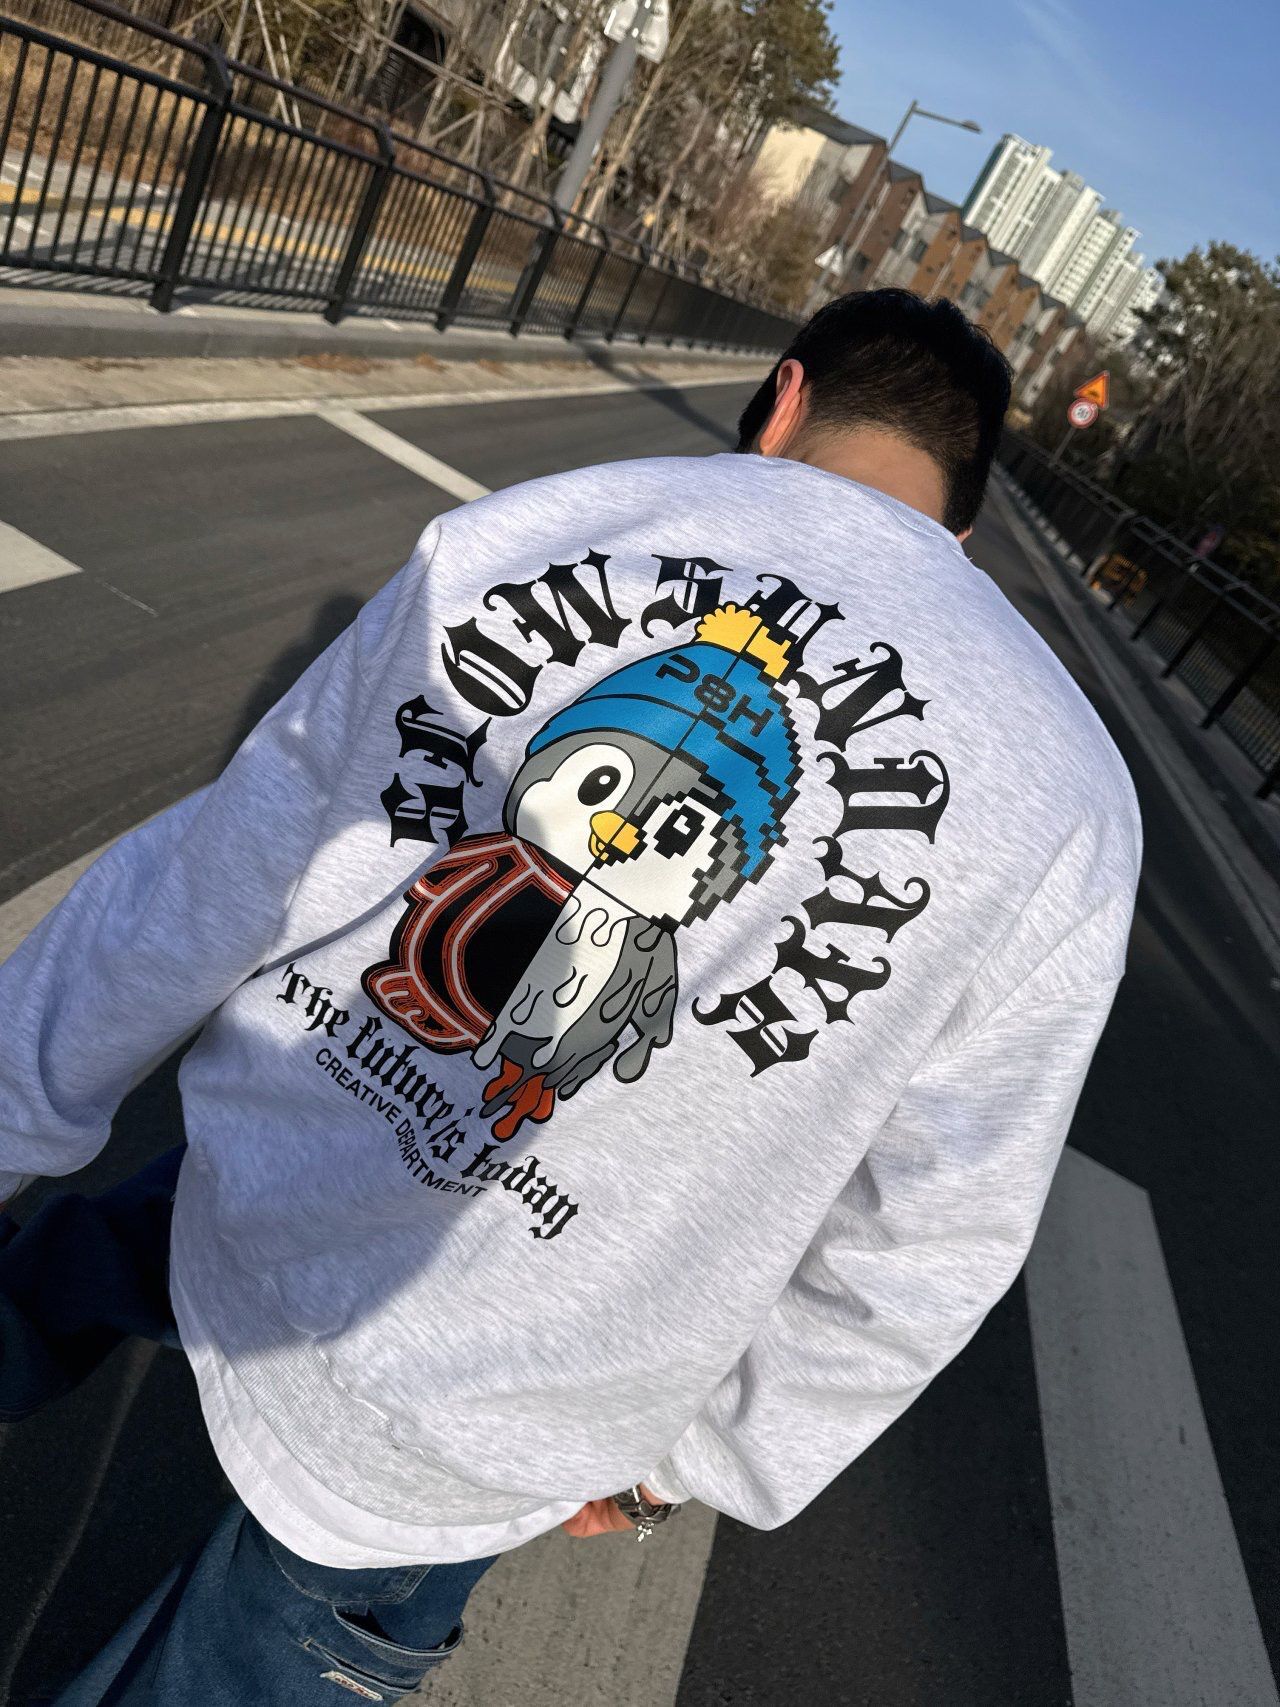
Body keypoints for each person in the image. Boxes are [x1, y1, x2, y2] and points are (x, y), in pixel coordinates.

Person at [0, 289, 1140, 1704]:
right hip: (522, 1392)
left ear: (784, 398)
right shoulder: (1073, 803)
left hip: (278, 1176)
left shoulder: (542, 527)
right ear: (961, 535)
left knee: (102, 1256)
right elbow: (934, 1235)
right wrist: (694, 1464)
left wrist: (16, 1107)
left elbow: (218, 871)